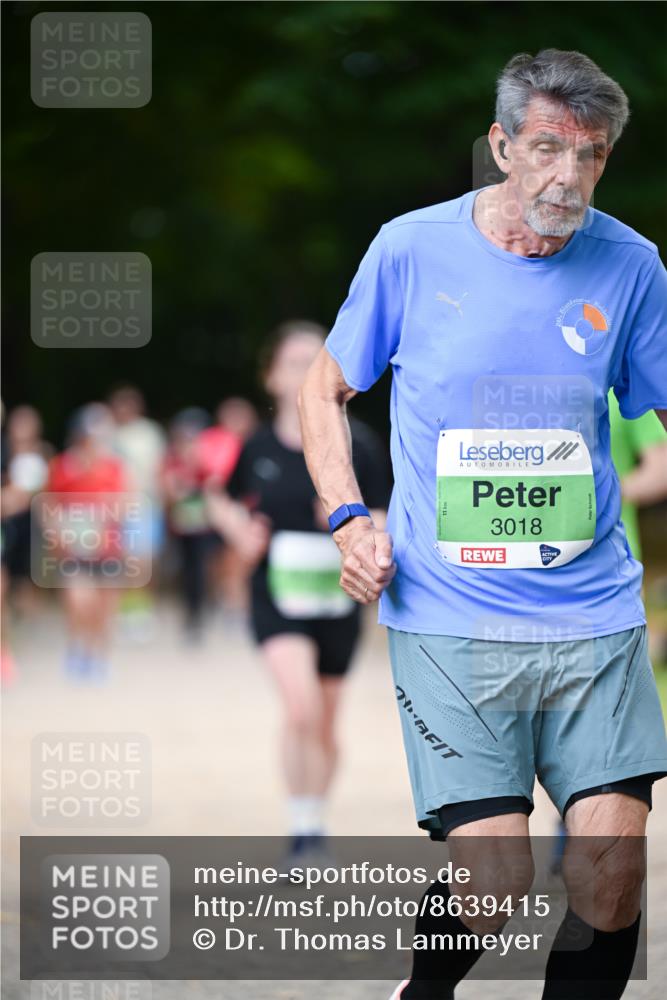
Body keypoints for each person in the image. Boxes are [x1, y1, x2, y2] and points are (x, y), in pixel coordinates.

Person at [298, 49, 667, 999]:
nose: (566, 176)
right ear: (501, 146)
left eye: (589, 156)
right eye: (546, 149)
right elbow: (323, 387)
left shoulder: (631, 266)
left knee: (610, 877)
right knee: (494, 883)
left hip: (592, 614)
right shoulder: (411, 249)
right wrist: (347, 519)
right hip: (449, 615)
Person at [207, 320, 390, 862]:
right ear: (271, 377)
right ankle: (301, 827)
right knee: (301, 707)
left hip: (338, 597)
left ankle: (314, 817)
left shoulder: (362, 445)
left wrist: (353, 520)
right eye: (293, 361)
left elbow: (390, 511)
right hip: (276, 594)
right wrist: (238, 529)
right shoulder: (256, 445)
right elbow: (218, 498)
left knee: (327, 721)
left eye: (317, 358)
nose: (305, 370)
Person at [44, 404, 126, 680]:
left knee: (105, 607)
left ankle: (99, 656)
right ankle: (78, 648)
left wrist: (108, 511)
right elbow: (49, 505)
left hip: (107, 548)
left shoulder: (114, 467)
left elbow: (126, 503)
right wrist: (57, 530)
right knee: (80, 601)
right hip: (74, 547)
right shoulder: (63, 466)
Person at [108, 385, 167, 638]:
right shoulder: (107, 434)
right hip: (115, 508)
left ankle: (142, 609)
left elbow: (159, 468)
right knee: (121, 560)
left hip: (145, 504)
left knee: (144, 560)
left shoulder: (149, 433)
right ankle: (124, 609)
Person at [161, 407, 221, 641]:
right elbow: (170, 492)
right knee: (186, 571)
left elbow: (214, 488)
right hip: (180, 528)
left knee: (201, 570)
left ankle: (200, 613)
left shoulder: (205, 461)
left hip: (203, 526)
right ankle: (190, 615)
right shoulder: (172, 461)